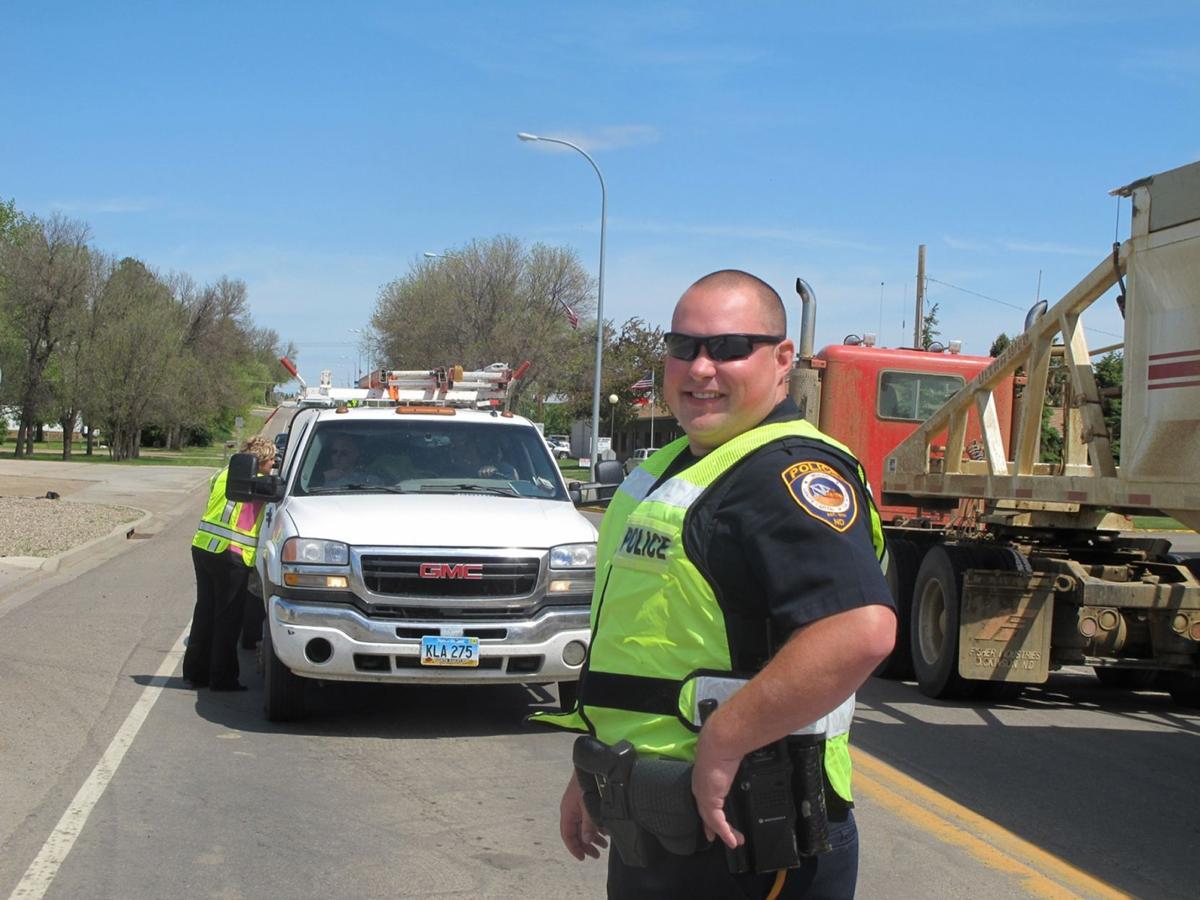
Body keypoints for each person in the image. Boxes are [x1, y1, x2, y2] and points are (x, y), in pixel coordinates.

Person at [536, 270, 896, 898]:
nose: (701, 367)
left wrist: (726, 741)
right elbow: (645, 647)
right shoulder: (668, 470)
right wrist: (594, 770)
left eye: (729, 348)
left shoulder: (783, 474)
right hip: (653, 822)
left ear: (782, 359)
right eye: (684, 347)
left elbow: (860, 631)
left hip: (749, 837)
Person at [182, 436, 275, 691]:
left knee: (205, 612)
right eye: (271, 460)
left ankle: (195, 673)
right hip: (231, 553)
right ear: (260, 461)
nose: (273, 465)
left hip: (203, 546)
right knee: (228, 618)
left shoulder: (222, 473)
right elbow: (278, 491)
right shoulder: (257, 481)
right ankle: (222, 678)